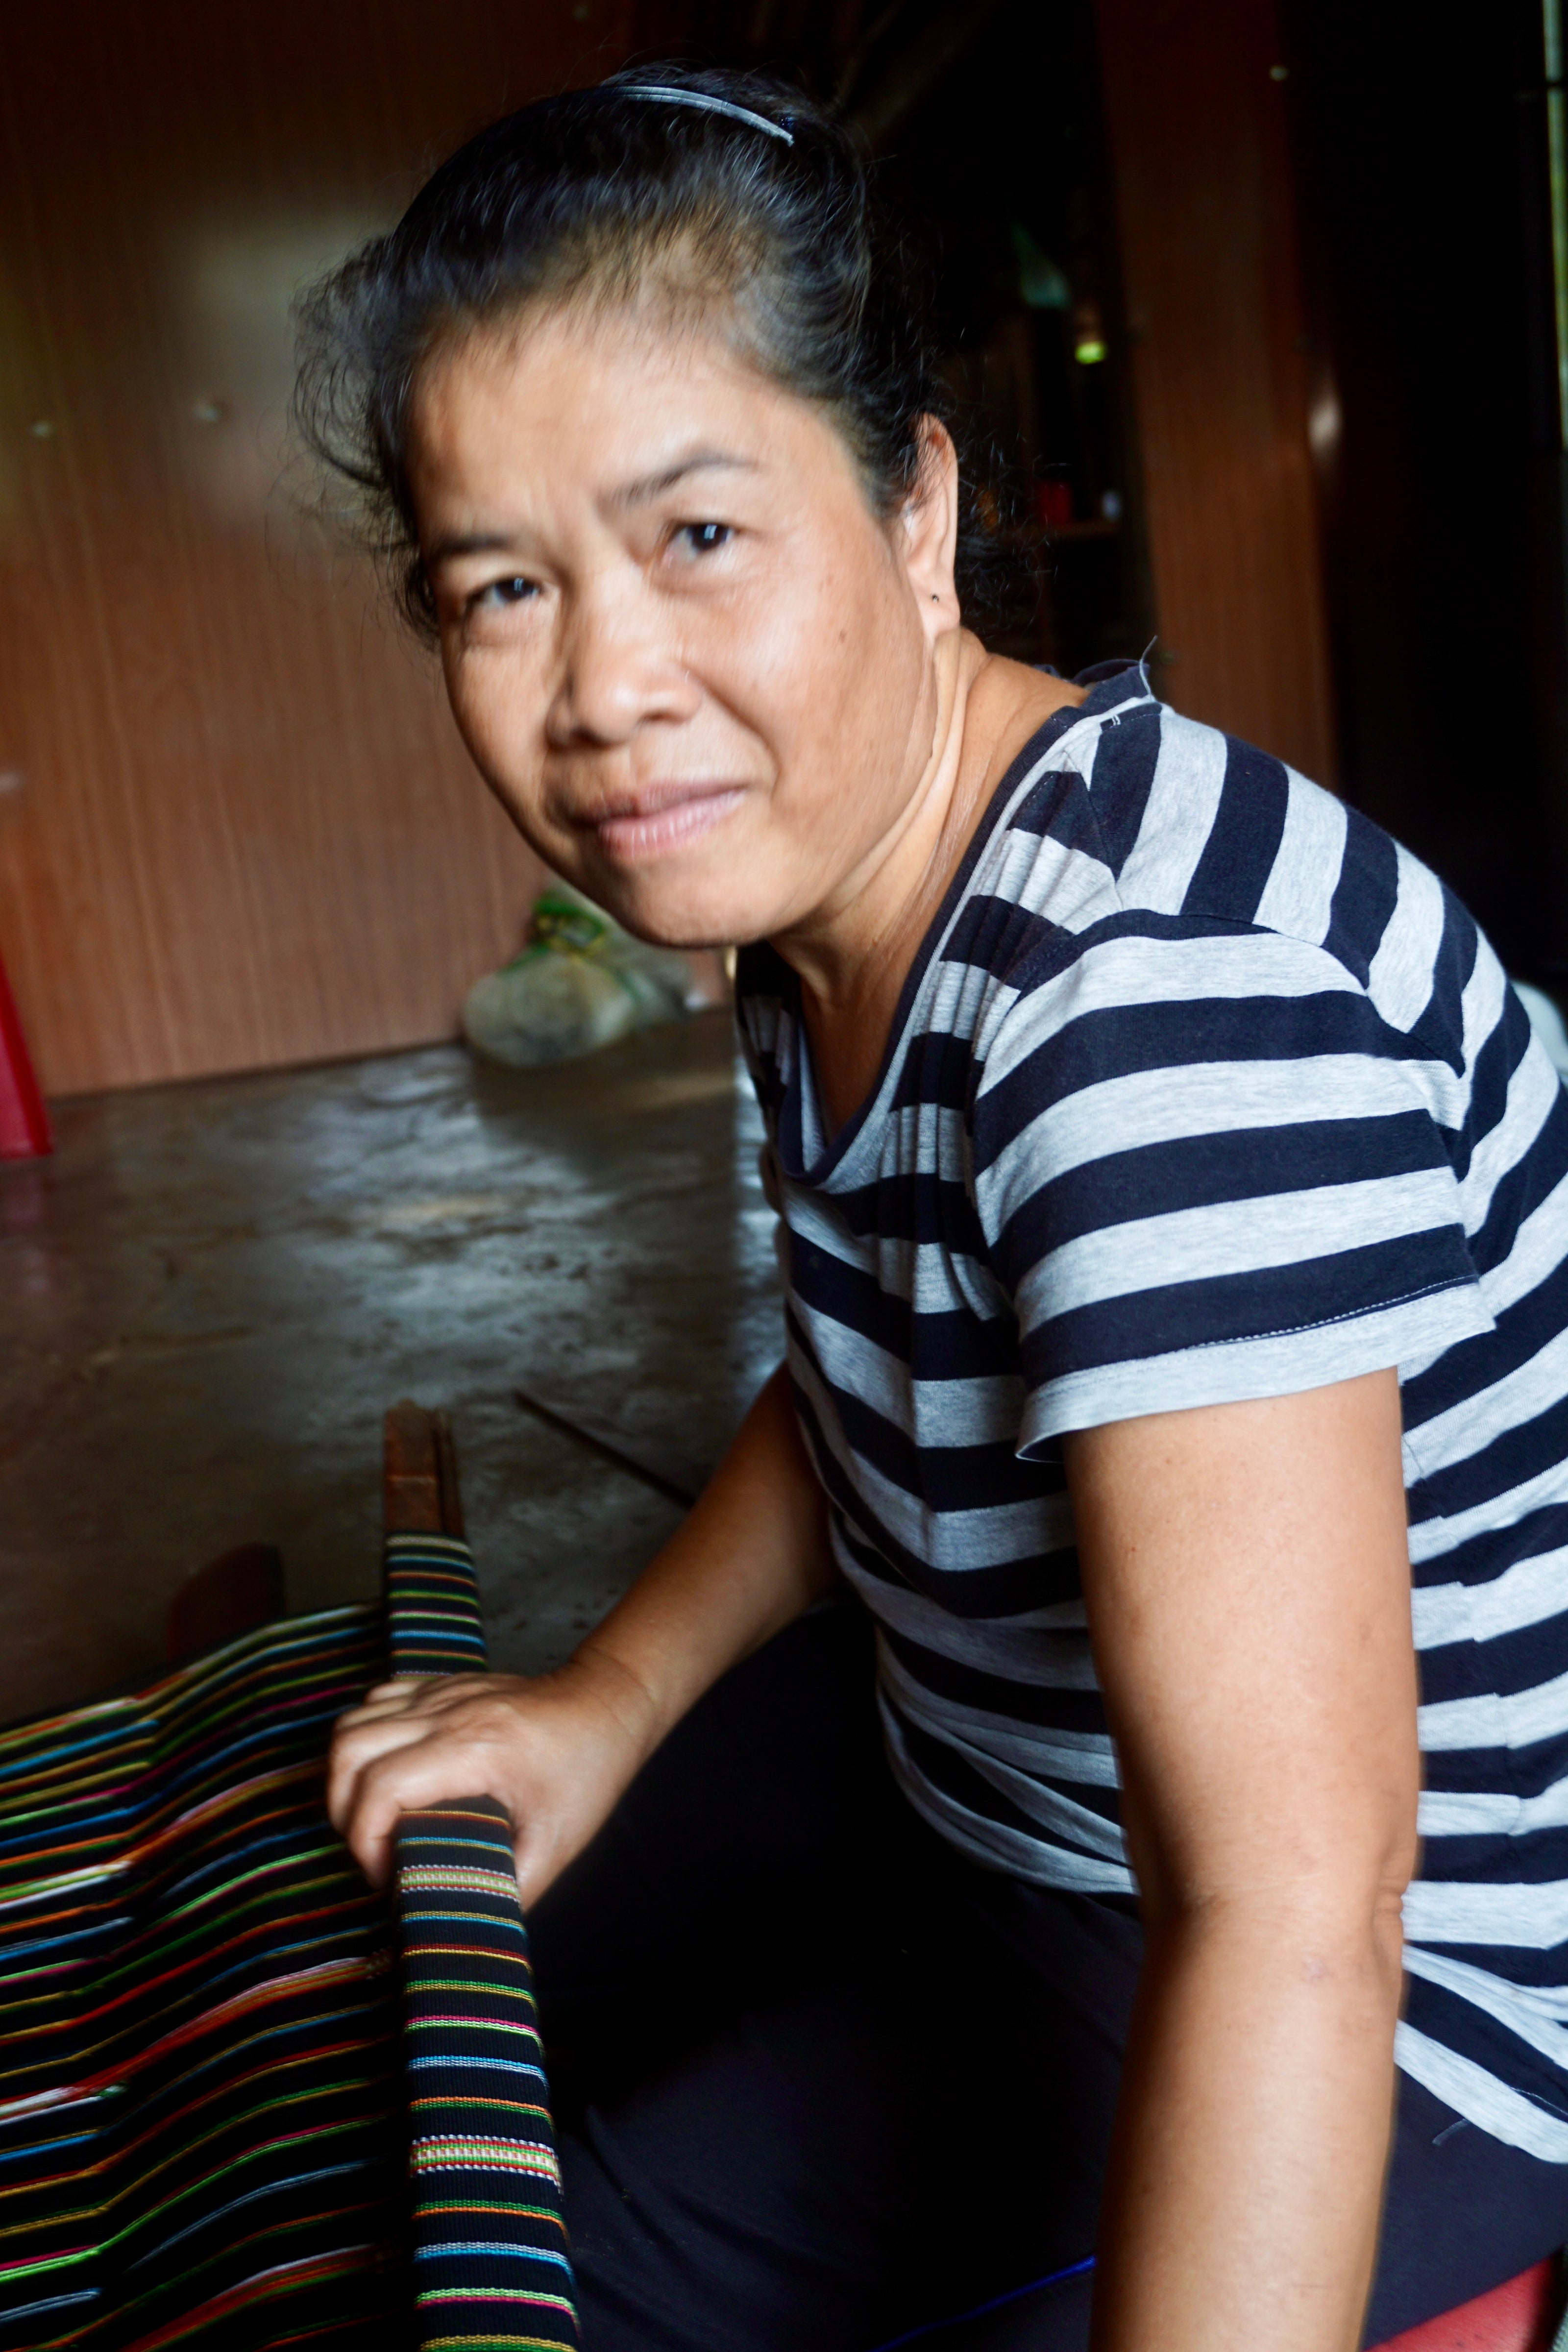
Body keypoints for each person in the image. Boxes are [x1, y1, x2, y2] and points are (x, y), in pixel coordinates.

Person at [305, 66, 1568, 2350]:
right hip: (987, 1778)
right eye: (502, 586)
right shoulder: (828, 895)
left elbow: (1297, 1909)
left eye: (698, 535)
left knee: (530, 2289)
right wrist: (599, 1703)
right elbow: (877, 1388)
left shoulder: (1147, 1016)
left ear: (914, 507)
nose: (603, 692)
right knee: (401, 2007)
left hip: (1417, 1999)